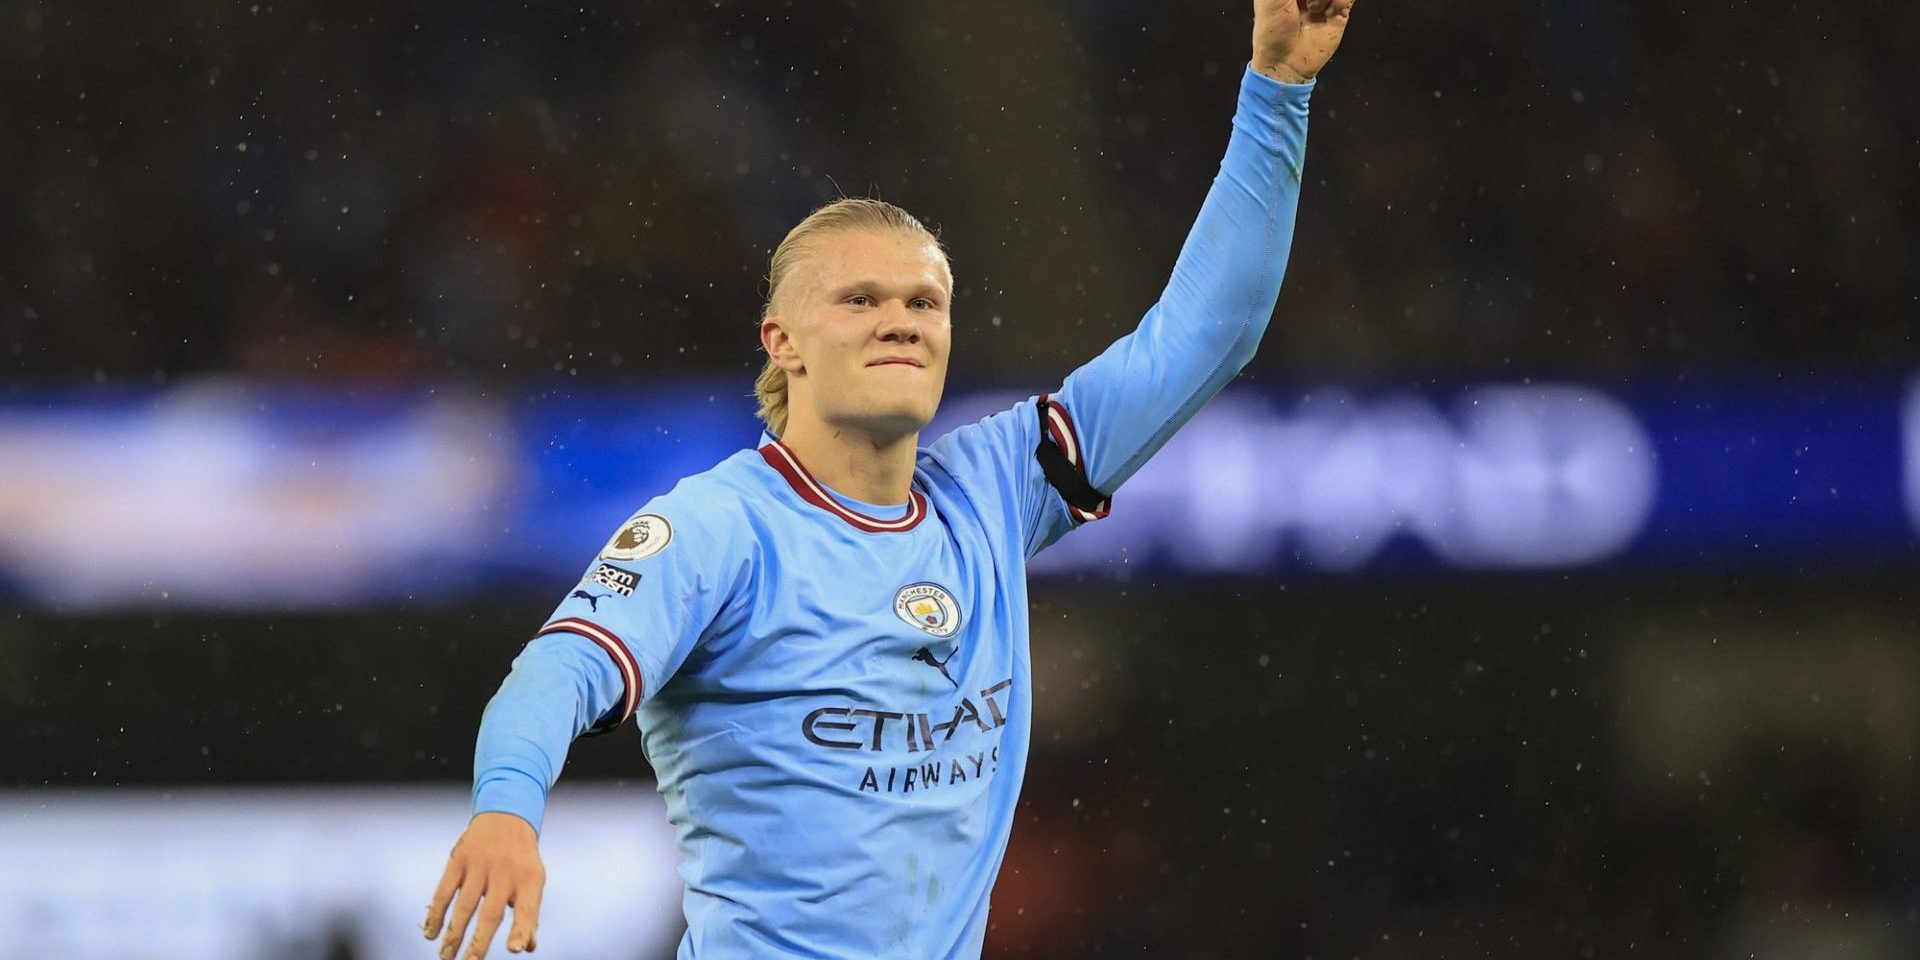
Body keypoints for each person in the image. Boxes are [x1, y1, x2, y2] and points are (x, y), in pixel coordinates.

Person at [424, 1, 1356, 957]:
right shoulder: (721, 527)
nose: (901, 320)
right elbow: (559, 669)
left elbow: (1207, 336)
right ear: (781, 343)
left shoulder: (996, 486)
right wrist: (506, 810)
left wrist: (1278, 88)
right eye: (860, 299)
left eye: (924, 301)